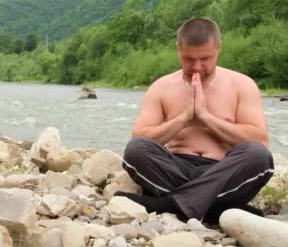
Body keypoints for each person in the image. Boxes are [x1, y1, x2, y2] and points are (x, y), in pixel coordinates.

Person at [116, 17, 275, 223]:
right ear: (178, 49)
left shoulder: (241, 85)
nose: (197, 67)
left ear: (218, 47)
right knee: (136, 149)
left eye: (205, 58)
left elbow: (259, 140)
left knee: (258, 156)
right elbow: (140, 137)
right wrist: (184, 118)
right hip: (175, 168)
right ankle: (216, 209)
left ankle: (170, 205)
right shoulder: (161, 87)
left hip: (223, 170)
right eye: (189, 59)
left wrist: (206, 117)